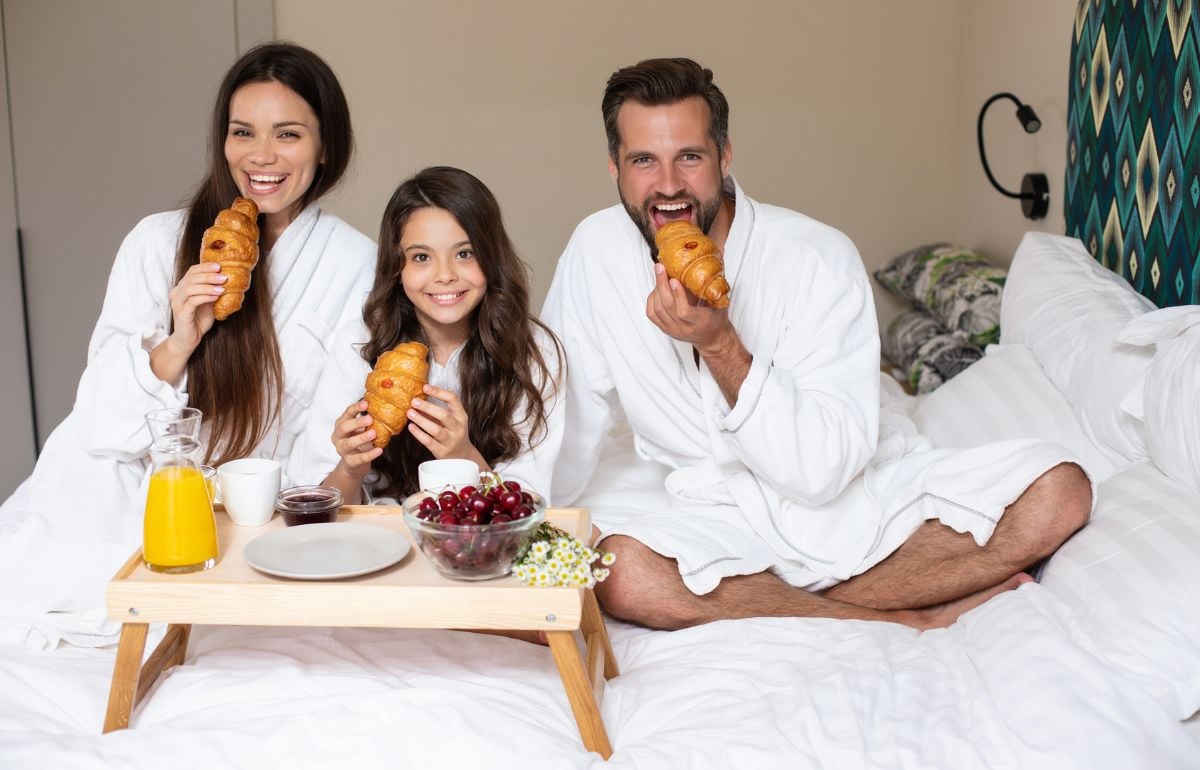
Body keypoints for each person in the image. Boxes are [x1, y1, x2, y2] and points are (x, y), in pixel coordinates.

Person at [540, 58, 1093, 631]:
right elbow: (564, 411)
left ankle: (780, 600)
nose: (670, 185)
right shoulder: (596, 249)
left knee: (1060, 492)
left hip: (840, 502)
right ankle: (899, 616)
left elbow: (823, 472)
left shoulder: (818, 258)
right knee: (618, 569)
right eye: (643, 161)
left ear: (725, 157)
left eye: (690, 156)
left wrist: (721, 344)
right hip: (702, 511)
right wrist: (503, 505)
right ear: (614, 168)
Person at [0, 42, 376, 648]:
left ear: (325, 144)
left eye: (287, 134)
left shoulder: (356, 263)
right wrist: (179, 340)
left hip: (252, 507)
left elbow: (327, 439)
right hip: (124, 495)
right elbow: (100, 422)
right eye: (242, 132)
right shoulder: (156, 242)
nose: (261, 156)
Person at [290, 166, 563, 505]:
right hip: (380, 543)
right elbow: (324, 506)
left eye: (465, 254)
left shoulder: (535, 351)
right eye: (421, 257)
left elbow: (527, 508)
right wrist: (350, 467)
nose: (445, 275)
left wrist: (464, 454)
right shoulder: (360, 344)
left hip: (485, 546)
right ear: (396, 266)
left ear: (492, 257)